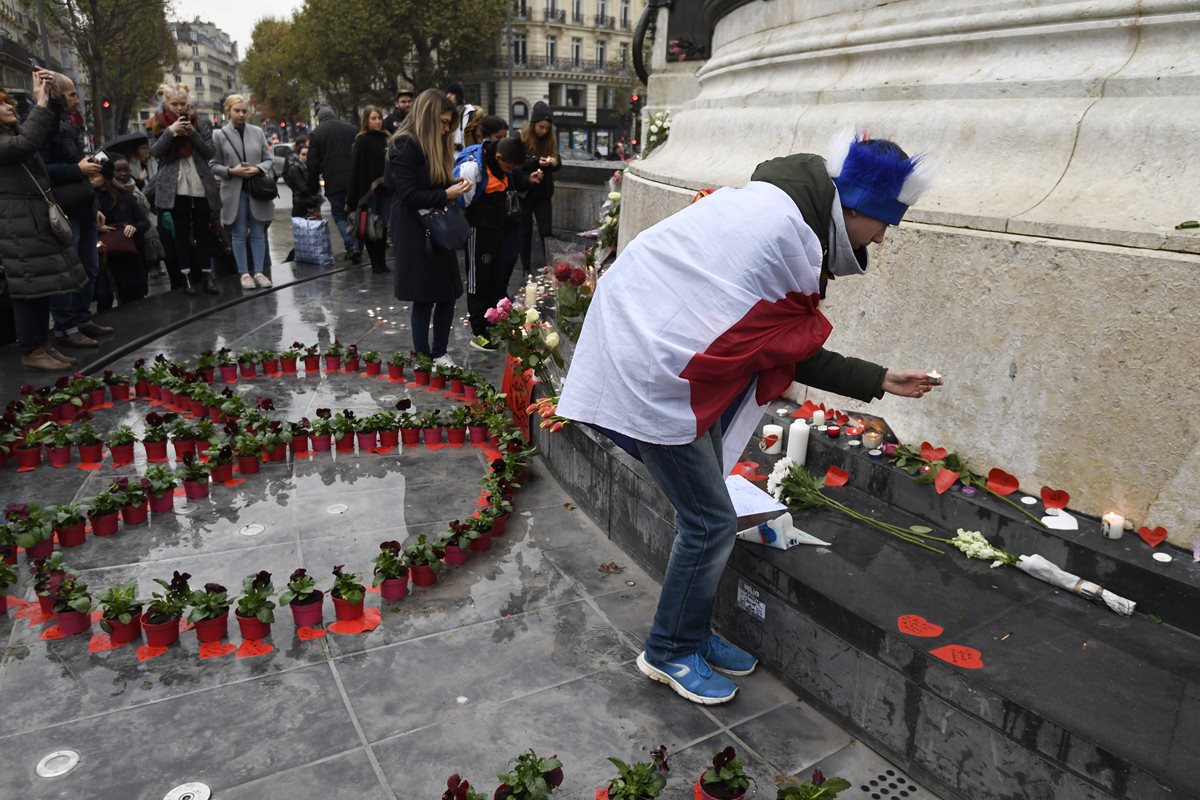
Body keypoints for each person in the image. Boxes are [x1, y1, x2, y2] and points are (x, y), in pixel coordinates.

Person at [555, 131, 939, 705]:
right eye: (884, 224)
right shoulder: (782, 233)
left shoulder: (786, 216)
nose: (881, 239)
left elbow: (775, 338)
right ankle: (668, 651)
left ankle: (690, 634)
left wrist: (878, 379)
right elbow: (787, 343)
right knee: (709, 520)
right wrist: (877, 377)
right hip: (655, 367)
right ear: (856, 209)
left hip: (672, 361)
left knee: (708, 515)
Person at [1, 73, 87, 371]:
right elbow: (26, 144)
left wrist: (52, 98)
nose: (10, 107)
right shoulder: (6, 141)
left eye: (8, 101)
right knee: (27, 288)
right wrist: (39, 103)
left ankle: (41, 344)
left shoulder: (11, 133)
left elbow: (44, 135)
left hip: (31, 218)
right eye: (1, 104)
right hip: (16, 222)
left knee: (41, 285)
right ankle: (31, 349)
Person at [384, 88, 472, 367]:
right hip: (415, 230)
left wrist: (452, 187)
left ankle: (440, 353)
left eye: (450, 124)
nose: (447, 130)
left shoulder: (433, 145)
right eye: (444, 123)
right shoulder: (404, 145)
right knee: (424, 297)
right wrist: (448, 194)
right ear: (428, 117)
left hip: (436, 228)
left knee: (448, 292)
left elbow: (430, 186)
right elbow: (408, 195)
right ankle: (424, 356)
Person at [42, 72, 110, 348]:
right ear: (57, 95)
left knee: (89, 268)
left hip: (82, 205)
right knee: (68, 272)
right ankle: (65, 327)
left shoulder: (70, 125)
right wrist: (77, 169)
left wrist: (93, 204)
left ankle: (82, 319)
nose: (77, 100)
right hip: (65, 209)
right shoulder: (46, 127)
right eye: (71, 94)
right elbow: (42, 169)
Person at [454, 136, 539, 348]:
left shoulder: (503, 163)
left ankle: (493, 324)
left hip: (497, 228)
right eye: (508, 167)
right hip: (477, 230)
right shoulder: (473, 168)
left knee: (495, 278)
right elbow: (461, 202)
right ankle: (479, 332)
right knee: (478, 281)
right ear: (499, 157)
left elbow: (515, 176)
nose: (510, 171)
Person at [147, 83, 222, 296]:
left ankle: (208, 277)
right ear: (166, 103)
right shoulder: (155, 124)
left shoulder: (202, 122)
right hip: (174, 185)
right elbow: (155, 151)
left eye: (183, 104)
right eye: (174, 104)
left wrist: (192, 134)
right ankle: (186, 278)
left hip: (199, 181)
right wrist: (171, 132)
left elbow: (209, 152)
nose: (179, 108)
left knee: (203, 230)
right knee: (180, 232)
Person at [211, 94, 275, 289]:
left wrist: (258, 168)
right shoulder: (219, 135)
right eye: (236, 110)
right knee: (238, 234)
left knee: (258, 233)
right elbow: (213, 164)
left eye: (244, 111)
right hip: (234, 191)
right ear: (228, 112)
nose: (241, 114)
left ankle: (259, 272)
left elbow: (269, 159)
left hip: (257, 191)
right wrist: (232, 171)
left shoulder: (257, 132)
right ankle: (244, 273)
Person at [306, 105, 360, 263]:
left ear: (320, 119)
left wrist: (313, 190)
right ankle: (357, 244)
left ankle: (351, 245)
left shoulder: (317, 133)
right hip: (354, 181)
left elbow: (312, 165)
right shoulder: (351, 129)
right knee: (354, 213)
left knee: (339, 215)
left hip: (334, 182)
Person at [94, 159, 150, 305]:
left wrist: (134, 227)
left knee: (133, 296)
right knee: (104, 298)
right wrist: (98, 229)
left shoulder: (125, 196)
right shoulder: (89, 200)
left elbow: (144, 222)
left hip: (128, 254)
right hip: (104, 256)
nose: (91, 180)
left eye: (95, 176)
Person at [346, 105, 392, 274]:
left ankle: (382, 261)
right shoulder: (362, 140)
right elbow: (357, 169)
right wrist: (355, 196)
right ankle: (375, 263)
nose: (377, 121)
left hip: (386, 189)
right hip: (370, 191)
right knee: (372, 227)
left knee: (384, 225)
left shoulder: (387, 138)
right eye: (373, 118)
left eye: (379, 118)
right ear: (366, 120)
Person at [518, 102, 561, 275]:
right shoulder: (521, 138)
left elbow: (558, 164)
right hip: (525, 191)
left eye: (546, 128)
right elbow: (517, 164)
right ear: (533, 124)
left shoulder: (550, 140)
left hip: (543, 192)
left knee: (546, 230)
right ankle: (525, 268)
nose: (543, 131)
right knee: (525, 230)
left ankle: (548, 265)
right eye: (540, 127)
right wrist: (536, 161)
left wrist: (554, 162)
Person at [111, 157, 167, 285]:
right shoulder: (113, 192)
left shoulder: (134, 186)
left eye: (126, 170)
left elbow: (145, 210)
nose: (123, 173)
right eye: (118, 170)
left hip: (141, 232)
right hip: (122, 238)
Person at [284, 136, 321, 219]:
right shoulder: (295, 168)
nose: (306, 157)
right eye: (303, 154)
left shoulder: (310, 167)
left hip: (311, 202)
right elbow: (302, 187)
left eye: (308, 154)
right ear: (298, 155)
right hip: (303, 203)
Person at [445, 82, 481, 152]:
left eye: (452, 93)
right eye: (447, 93)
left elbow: (478, 138)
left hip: (467, 157)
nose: (448, 96)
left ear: (459, 96)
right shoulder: (445, 114)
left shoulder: (470, 114)